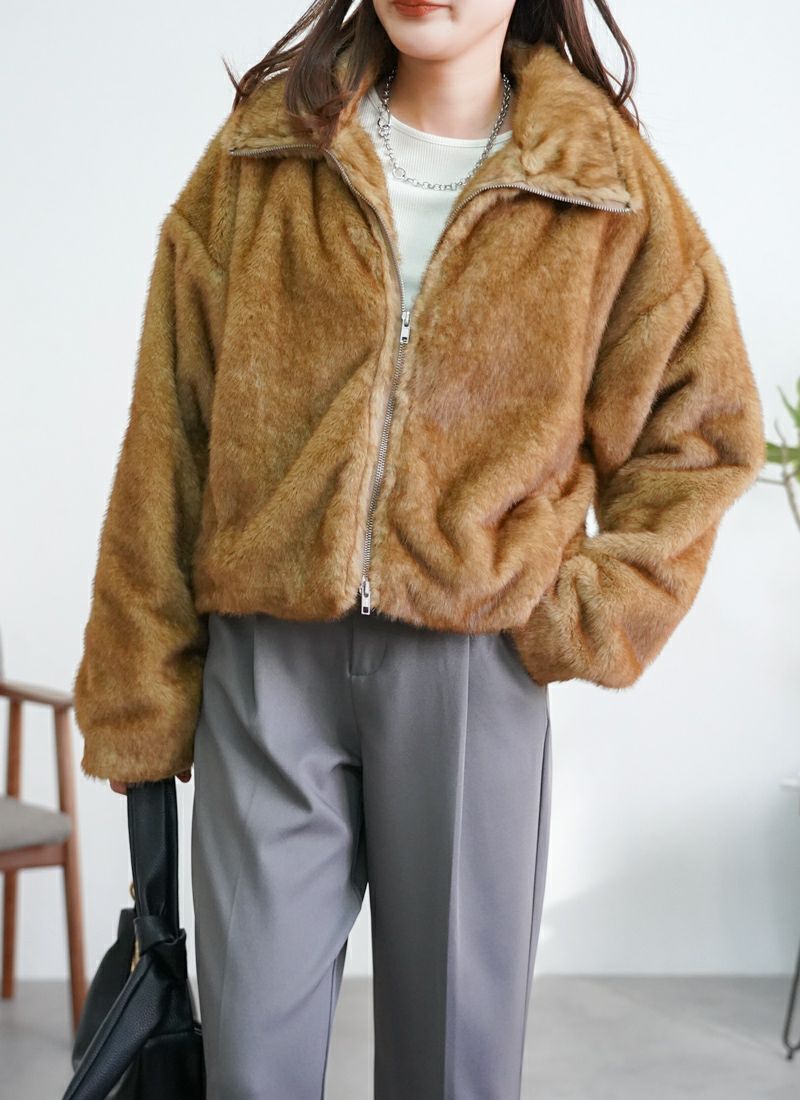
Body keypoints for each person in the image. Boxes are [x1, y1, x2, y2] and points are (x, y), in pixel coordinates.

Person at [72, 0, 766, 1096]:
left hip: (469, 674)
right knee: (249, 1067)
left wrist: (571, 614)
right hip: (265, 671)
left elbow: (701, 431)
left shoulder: (598, 179)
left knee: (453, 1067)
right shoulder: (267, 148)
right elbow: (172, 433)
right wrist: (139, 691)